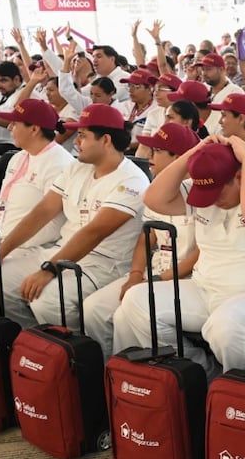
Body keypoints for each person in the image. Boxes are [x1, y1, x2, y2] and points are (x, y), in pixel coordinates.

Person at [117, 136, 245, 375]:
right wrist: (196, 152)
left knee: (224, 327)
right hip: (205, 287)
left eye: (217, 192)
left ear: (240, 177)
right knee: (137, 301)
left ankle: (241, 385)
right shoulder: (205, 184)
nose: (212, 200)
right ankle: (200, 371)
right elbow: (154, 198)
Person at [0, 104, 148, 328]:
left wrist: (50, 268)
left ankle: (76, 353)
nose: (75, 141)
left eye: (82, 136)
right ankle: (29, 343)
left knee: (47, 301)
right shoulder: (78, 168)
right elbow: (43, 211)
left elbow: (94, 232)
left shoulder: (131, 181)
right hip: (60, 250)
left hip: (103, 263)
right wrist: (2, 252)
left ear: (106, 140)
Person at [83, 124, 201, 357]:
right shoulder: (157, 190)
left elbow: (201, 253)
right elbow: (146, 237)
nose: (147, 156)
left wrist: (156, 280)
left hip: (186, 279)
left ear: (178, 158)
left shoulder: (199, 193)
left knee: (125, 315)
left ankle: (185, 370)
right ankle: (117, 374)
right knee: (93, 309)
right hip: (155, 271)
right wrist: (136, 274)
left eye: (156, 151)